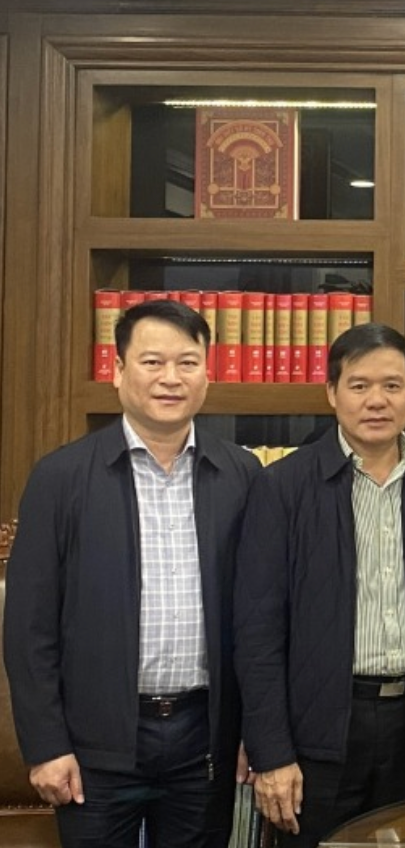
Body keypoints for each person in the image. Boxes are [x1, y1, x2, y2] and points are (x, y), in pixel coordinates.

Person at [4, 299, 258, 848]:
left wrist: (255, 731)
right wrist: (47, 746)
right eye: (152, 362)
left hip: (205, 736)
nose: (171, 378)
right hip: (94, 743)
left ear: (207, 374)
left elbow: (259, 616)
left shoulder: (241, 473)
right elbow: (28, 629)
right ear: (117, 370)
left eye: (187, 362)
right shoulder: (61, 477)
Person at [233, 323, 405, 846]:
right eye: (359, 386)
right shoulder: (282, 486)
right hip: (319, 734)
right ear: (332, 393)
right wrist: (272, 752)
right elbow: (257, 631)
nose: (376, 401)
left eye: (392, 385)